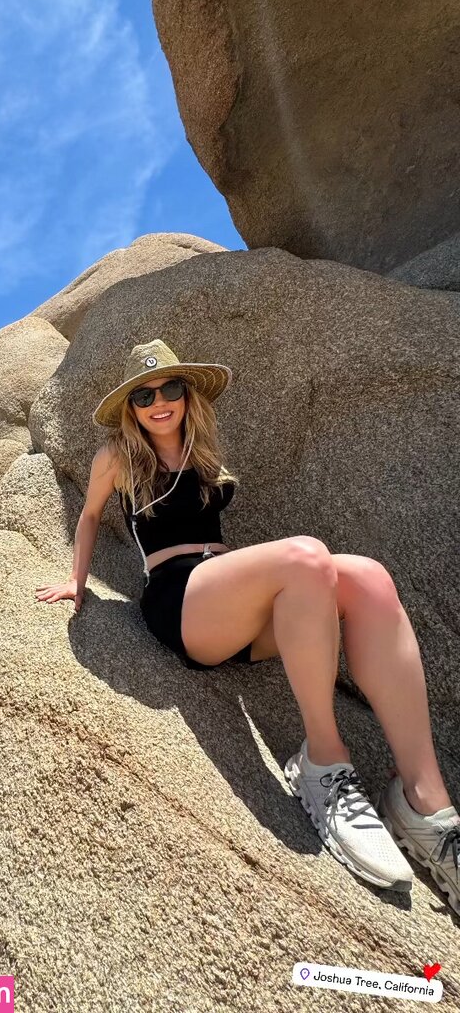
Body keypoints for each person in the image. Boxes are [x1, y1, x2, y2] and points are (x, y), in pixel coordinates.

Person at [36, 338, 460, 916]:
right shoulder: (116, 455)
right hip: (180, 601)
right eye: (143, 395)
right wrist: (77, 581)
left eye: (170, 388)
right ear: (130, 408)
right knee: (307, 555)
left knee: (368, 578)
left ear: (188, 394)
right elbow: (88, 517)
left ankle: (426, 805)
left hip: (232, 604)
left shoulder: (202, 450)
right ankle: (323, 762)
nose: (159, 402)